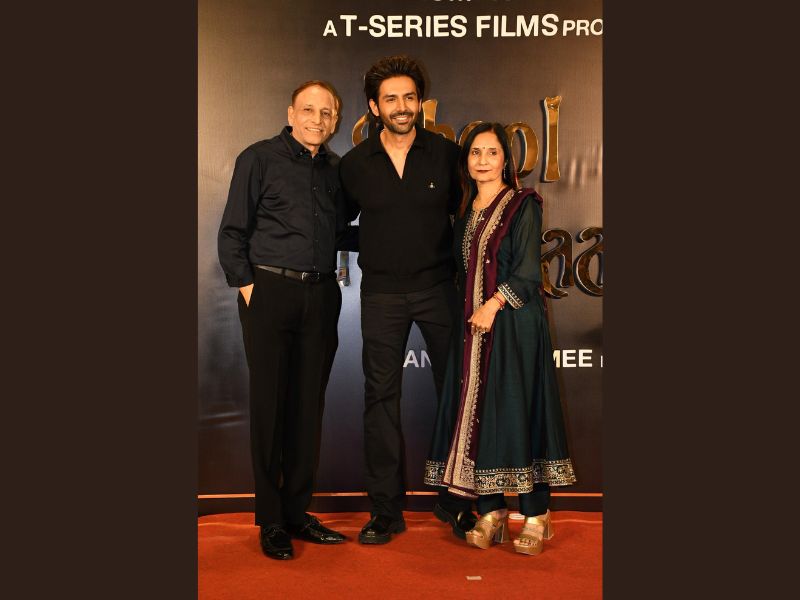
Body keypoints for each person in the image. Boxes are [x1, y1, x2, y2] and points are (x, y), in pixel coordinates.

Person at [339, 55, 478, 545]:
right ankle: (384, 511)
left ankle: (458, 503)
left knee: (456, 395)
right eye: (391, 99)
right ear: (373, 107)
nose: (401, 106)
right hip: (381, 295)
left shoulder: (446, 154)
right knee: (380, 400)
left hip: (439, 290)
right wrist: (379, 244)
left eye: (409, 97)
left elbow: (468, 218)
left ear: (420, 102)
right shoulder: (355, 164)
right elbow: (340, 226)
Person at [424, 122, 577, 556]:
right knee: (482, 415)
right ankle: (491, 510)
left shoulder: (522, 204)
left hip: (512, 322)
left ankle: (536, 515)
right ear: (466, 161)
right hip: (474, 330)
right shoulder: (465, 209)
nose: (483, 161)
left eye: (492, 153)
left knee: (520, 409)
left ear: (506, 161)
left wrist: (492, 306)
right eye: (475, 153)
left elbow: (527, 272)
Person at [217, 80, 352, 560]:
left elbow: (342, 232)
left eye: (326, 112)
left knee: (307, 407)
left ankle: (296, 513)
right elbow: (232, 232)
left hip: (322, 295)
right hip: (269, 292)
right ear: (291, 113)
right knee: (270, 407)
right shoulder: (258, 158)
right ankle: (271, 520)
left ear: (335, 120)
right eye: (308, 110)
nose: (317, 119)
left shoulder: (337, 170)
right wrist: (250, 288)